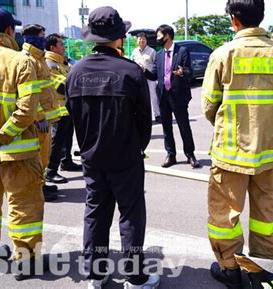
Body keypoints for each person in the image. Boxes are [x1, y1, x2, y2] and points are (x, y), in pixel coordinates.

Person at [202, 0, 273, 288]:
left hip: (231, 152)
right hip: (268, 152)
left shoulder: (223, 54)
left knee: (224, 215)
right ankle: (262, 268)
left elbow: (209, 104)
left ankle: (230, 268)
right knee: (265, 213)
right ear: (262, 17)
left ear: (234, 20)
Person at [66, 6, 159, 288]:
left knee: (96, 212)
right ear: (119, 37)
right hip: (126, 156)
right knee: (130, 214)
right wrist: (136, 147)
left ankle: (95, 272)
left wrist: (88, 146)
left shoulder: (76, 71)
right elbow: (145, 121)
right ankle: (135, 275)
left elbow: (73, 116)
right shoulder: (130, 72)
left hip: (91, 156)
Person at [0, 8, 46, 280]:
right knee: (24, 207)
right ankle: (26, 261)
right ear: (9, 31)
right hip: (17, 153)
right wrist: (2, 136)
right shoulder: (20, 61)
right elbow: (28, 109)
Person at [145, 24, 200, 168]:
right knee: (166, 128)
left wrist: (183, 72)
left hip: (178, 95)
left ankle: (190, 154)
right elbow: (154, 75)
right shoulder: (159, 55)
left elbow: (190, 72)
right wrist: (143, 70)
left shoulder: (182, 51)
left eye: (159, 36)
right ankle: (171, 155)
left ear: (167, 36)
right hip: (163, 96)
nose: (157, 39)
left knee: (184, 126)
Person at [21, 24, 61, 203]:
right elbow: (28, 93)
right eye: (42, 36)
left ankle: (42, 184)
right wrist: (39, 116)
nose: (44, 39)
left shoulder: (39, 58)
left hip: (47, 118)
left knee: (44, 157)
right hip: (39, 120)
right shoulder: (27, 59)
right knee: (36, 158)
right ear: (32, 38)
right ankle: (36, 189)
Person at [45, 33, 82, 187]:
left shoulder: (63, 63)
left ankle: (66, 161)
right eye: (61, 44)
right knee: (57, 139)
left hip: (66, 106)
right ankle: (51, 171)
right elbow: (60, 85)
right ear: (53, 47)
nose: (64, 47)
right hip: (57, 108)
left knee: (67, 136)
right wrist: (75, 85)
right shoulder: (49, 63)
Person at [131, 32, 161, 123]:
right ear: (137, 41)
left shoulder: (152, 51)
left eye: (143, 39)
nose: (142, 40)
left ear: (146, 40)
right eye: (140, 39)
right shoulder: (134, 52)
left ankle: (157, 115)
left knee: (154, 97)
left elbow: (156, 65)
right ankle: (143, 116)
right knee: (140, 98)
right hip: (138, 79)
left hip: (150, 78)